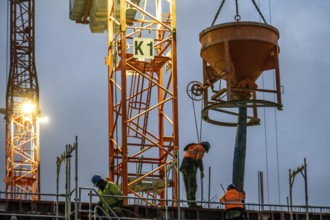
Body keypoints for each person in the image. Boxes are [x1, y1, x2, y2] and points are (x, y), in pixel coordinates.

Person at [179, 141, 210, 207]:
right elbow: (198, 159)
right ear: (205, 148)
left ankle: (189, 203)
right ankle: (192, 203)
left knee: (188, 186)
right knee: (193, 186)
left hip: (183, 167)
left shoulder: (193, 146)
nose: (204, 152)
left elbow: (186, 150)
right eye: (205, 151)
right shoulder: (201, 148)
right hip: (190, 166)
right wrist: (202, 171)